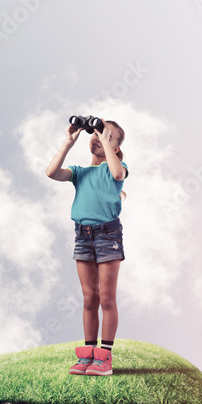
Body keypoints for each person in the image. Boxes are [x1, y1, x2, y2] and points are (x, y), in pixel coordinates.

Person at [45, 119, 128, 376]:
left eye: (106, 136)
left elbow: (117, 174)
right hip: (83, 235)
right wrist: (69, 141)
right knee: (89, 297)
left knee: (106, 298)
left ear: (115, 147)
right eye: (94, 133)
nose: (97, 137)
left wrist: (104, 137)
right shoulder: (80, 172)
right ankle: (88, 354)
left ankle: (105, 357)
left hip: (107, 235)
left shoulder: (117, 167)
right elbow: (51, 172)